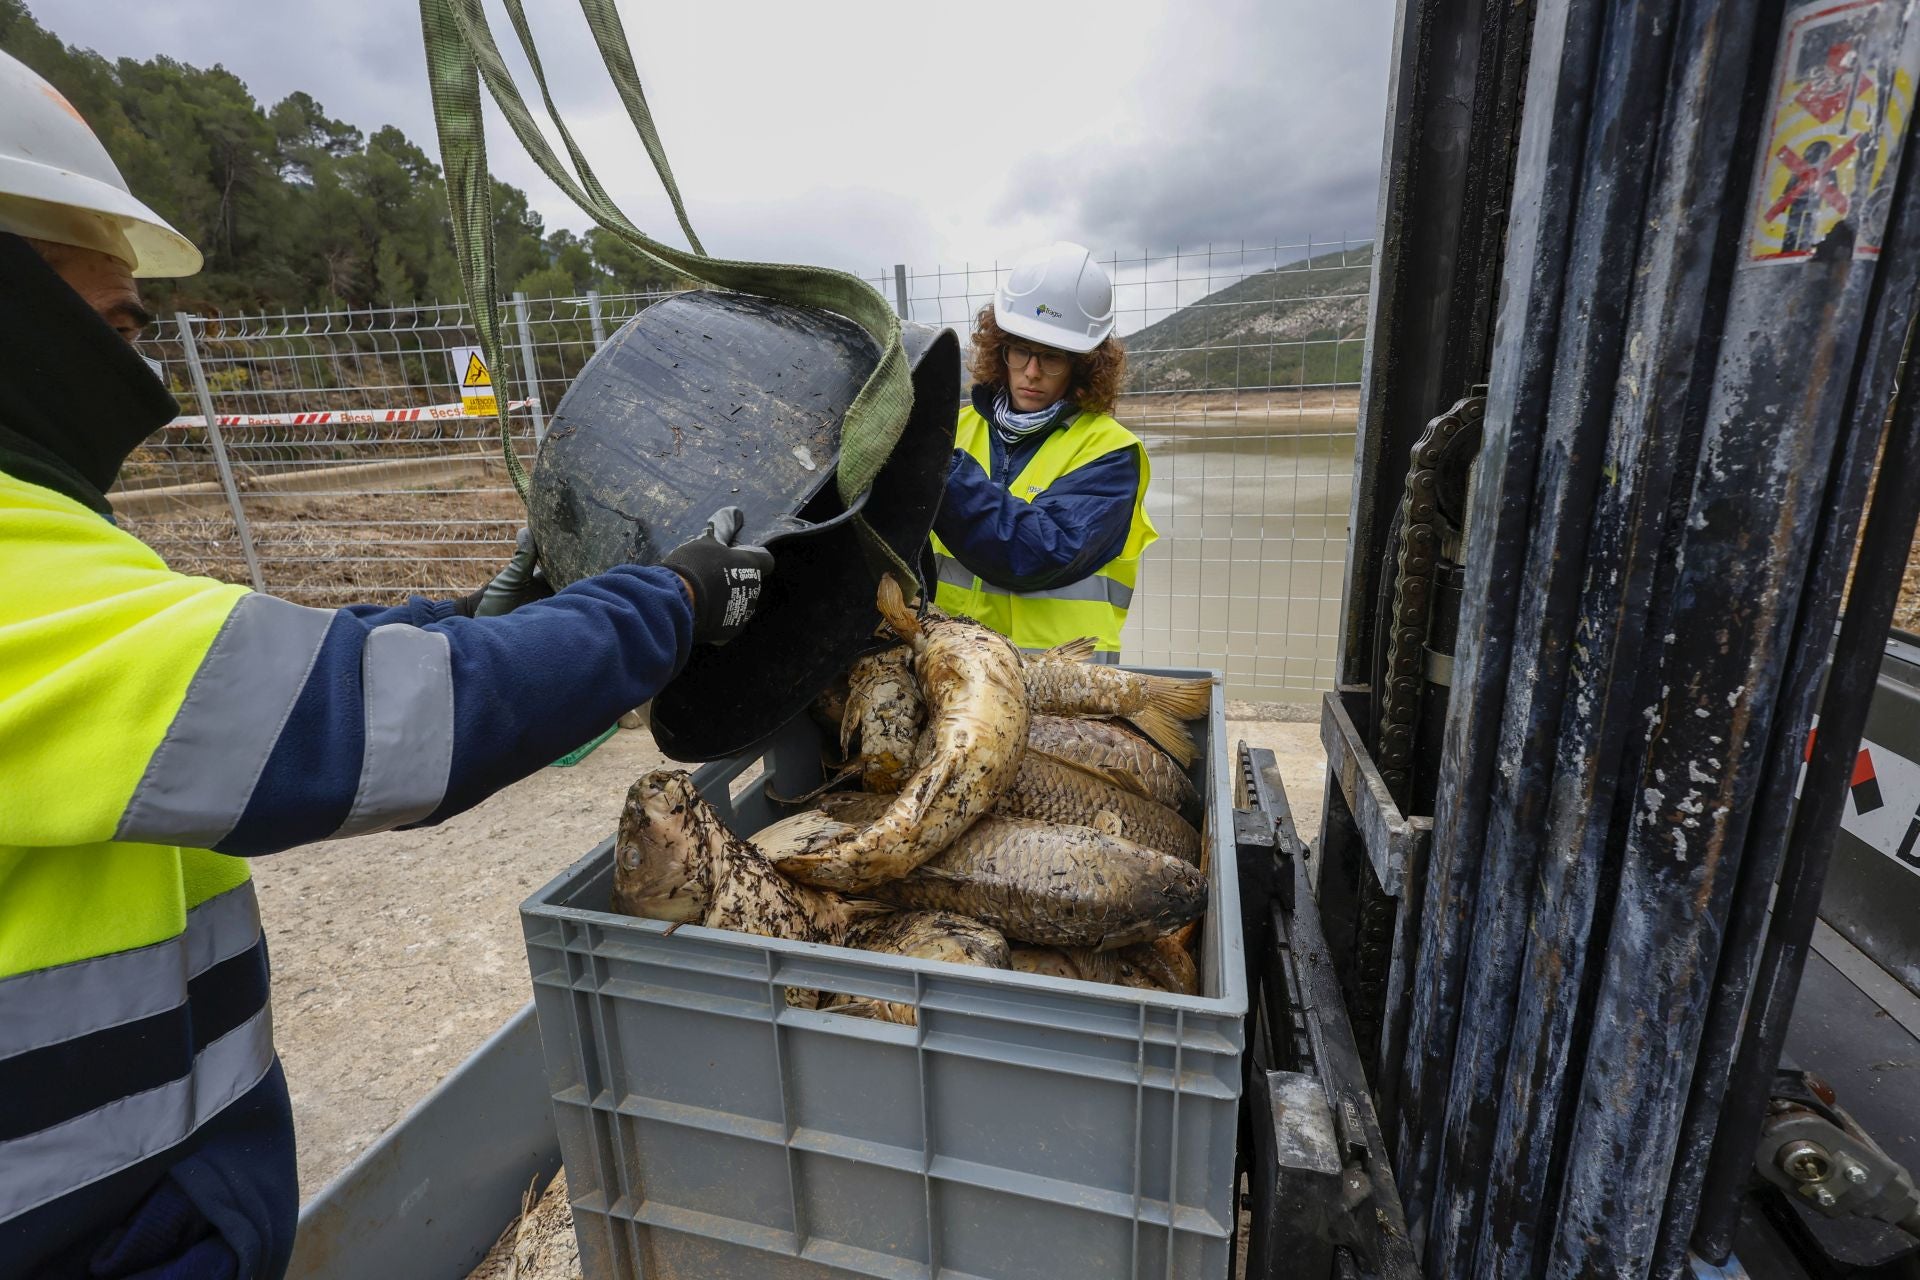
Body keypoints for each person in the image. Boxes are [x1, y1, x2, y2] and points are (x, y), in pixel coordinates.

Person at [0, 50, 772, 1280]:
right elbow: (373, 723)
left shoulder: (38, 536)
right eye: (102, 332)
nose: (134, 379)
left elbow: (253, 663)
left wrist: (472, 610)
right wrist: (667, 603)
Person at [928, 241, 1155, 662]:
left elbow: (1039, 553)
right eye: (1022, 351)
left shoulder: (1111, 452)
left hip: (1064, 686)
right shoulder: (953, 430)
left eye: (1052, 357)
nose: (1032, 372)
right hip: (956, 669)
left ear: (1081, 365)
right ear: (1002, 350)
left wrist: (937, 465)